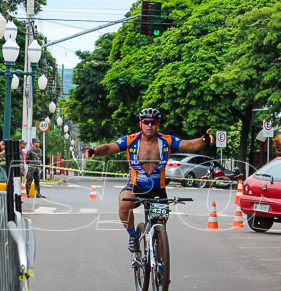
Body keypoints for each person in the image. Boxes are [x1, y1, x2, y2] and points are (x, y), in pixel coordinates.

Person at [84, 108, 212, 252]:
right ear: (141, 123)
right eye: (146, 122)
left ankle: (160, 268)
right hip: (135, 187)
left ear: (158, 124)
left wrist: (203, 140)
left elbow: (189, 145)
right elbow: (109, 148)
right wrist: (95, 151)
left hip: (158, 191)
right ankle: (132, 236)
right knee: (123, 203)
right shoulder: (131, 140)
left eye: (153, 122)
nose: (149, 125)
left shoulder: (167, 141)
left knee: (160, 233)